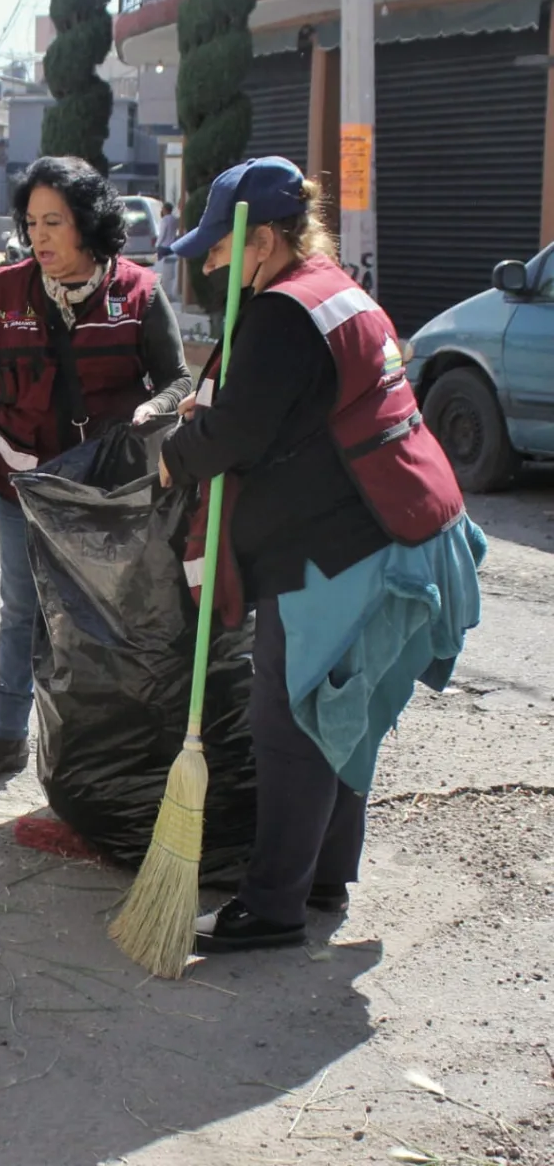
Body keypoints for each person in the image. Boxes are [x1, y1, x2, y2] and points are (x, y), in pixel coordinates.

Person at [158, 157, 484, 953]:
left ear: (262, 240)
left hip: (341, 546)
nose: (209, 264)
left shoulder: (278, 313)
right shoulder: (335, 288)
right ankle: (324, 876)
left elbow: (238, 431)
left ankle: (271, 906)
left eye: (218, 249)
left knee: (292, 717)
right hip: (401, 525)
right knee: (341, 710)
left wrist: (176, 451)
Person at [0, 156, 192, 783]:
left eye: (54, 222)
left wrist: (155, 406)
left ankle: (93, 746)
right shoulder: (5, 290)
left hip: (101, 497)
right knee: (21, 611)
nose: (39, 236)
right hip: (21, 489)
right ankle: (6, 737)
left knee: (98, 620)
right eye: (31, 222)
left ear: (87, 225)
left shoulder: (139, 291)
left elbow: (177, 378)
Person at [156, 200, 180, 298]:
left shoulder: (165, 220)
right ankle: (170, 290)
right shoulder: (175, 219)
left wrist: (157, 244)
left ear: (165, 209)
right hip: (172, 246)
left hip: (163, 246)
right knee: (171, 269)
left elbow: (162, 233)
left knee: (160, 269)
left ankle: (163, 289)